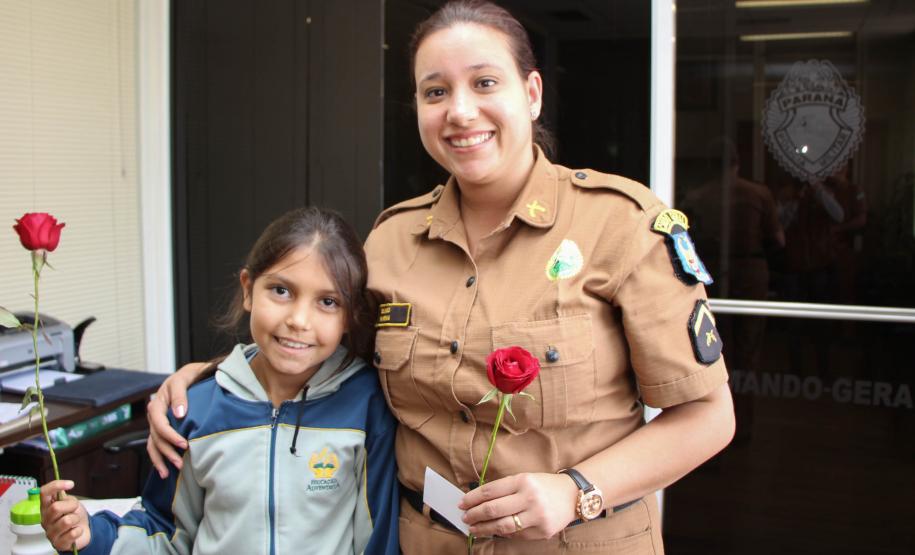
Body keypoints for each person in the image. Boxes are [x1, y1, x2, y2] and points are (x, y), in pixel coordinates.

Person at [147, 2, 735, 553]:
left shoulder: (621, 224)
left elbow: (709, 417)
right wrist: (207, 382)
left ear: (530, 94)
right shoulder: (391, 241)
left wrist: (576, 488)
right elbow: (323, 355)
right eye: (436, 91)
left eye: (484, 83)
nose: (459, 110)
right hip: (424, 539)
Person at [40, 207, 399, 554]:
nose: (299, 320)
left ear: (351, 315)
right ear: (248, 289)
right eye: (281, 291)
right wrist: (91, 536)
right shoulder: (196, 408)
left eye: (327, 301)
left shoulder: (365, 405)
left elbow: (378, 538)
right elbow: (164, 531)